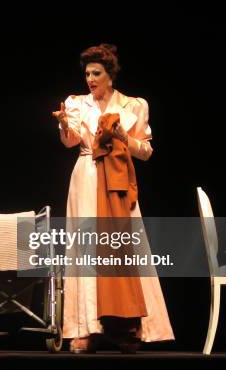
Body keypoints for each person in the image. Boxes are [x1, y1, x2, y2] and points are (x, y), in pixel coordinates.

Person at [52, 44, 174, 353]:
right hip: (87, 177)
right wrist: (64, 123)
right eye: (87, 74)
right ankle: (86, 328)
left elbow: (146, 151)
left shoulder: (133, 105)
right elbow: (70, 142)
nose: (90, 79)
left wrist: (122, 136)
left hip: (118, 183)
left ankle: (131, 325)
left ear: (110, 75)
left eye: (96, 73)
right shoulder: (77, 103)